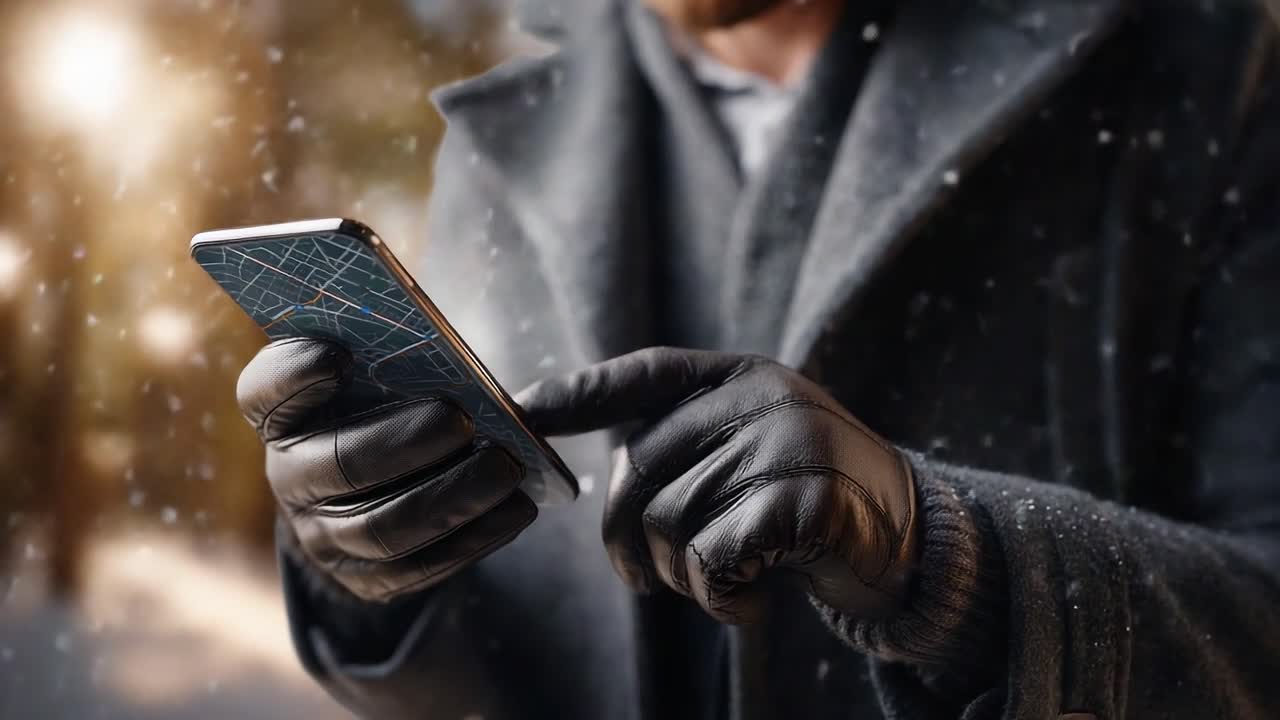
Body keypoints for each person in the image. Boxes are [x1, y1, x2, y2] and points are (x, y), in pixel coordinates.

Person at [234, 0, 1280, 717]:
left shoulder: (1202, 67)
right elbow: (494, 675)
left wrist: (950, 560)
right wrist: (369, 570)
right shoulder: (503, 130)